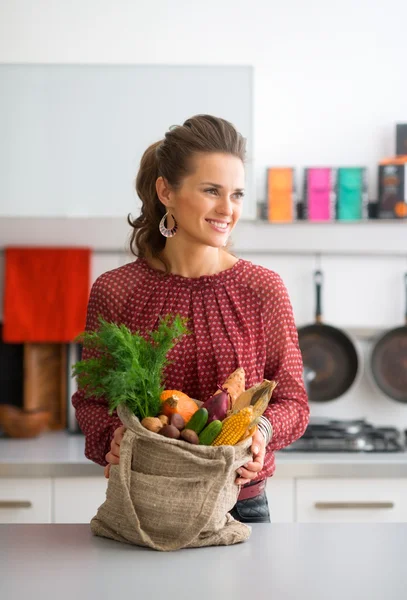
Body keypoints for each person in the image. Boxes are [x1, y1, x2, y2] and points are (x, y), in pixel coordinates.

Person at [72, 114, 309, 523]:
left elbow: (293, 401)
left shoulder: (262, 289)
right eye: (211, 191)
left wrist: (261, 435)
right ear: (166, 190)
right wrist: (111, 437)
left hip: (240, 507)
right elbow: (92, 401)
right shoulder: (116, 291)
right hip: (147, 505)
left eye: (236, 194)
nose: (227, 209)